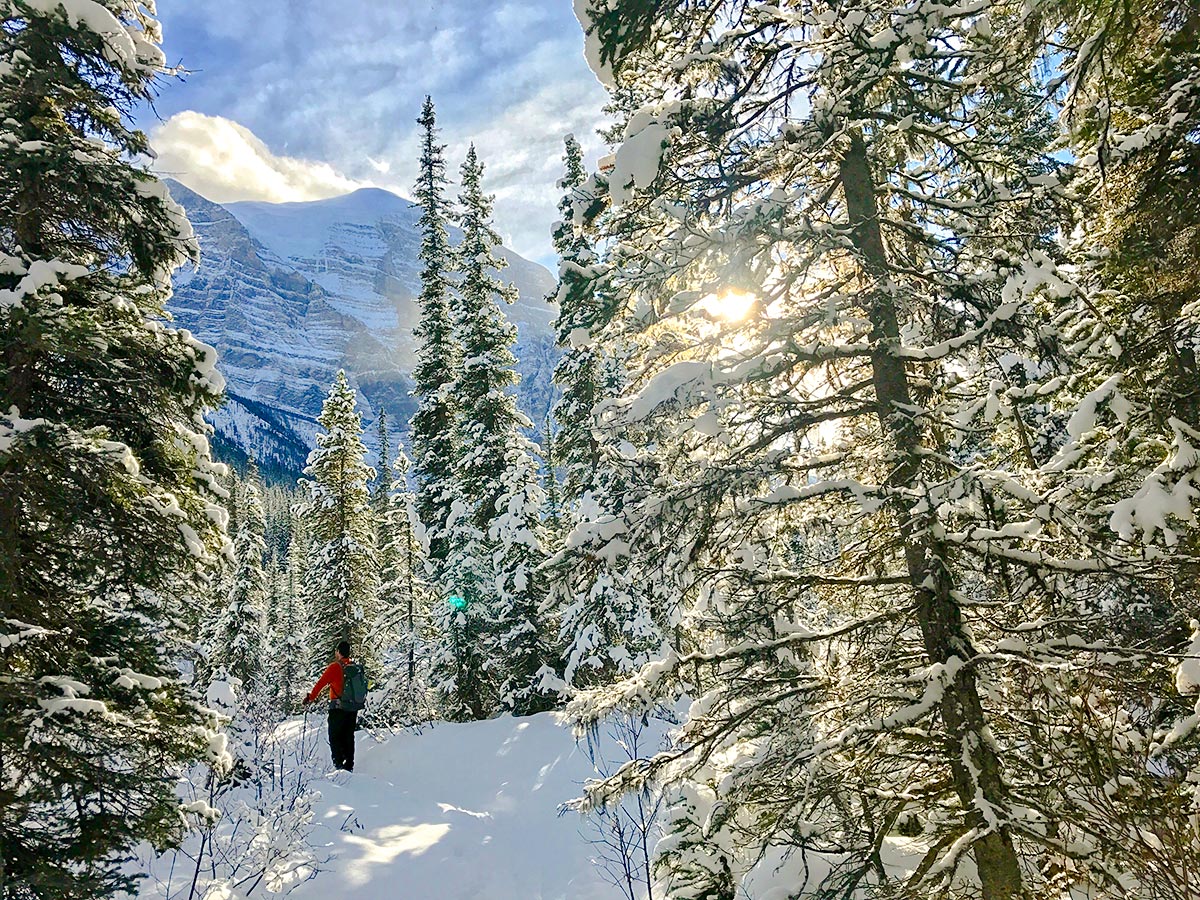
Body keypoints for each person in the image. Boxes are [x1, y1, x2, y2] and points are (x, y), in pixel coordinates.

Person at [304, 640, 358, 772]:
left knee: (335, 736)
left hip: (337, 708)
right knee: (349, 736)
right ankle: (349, 765)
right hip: (352, 708)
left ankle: (339, 766)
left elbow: (321, 683)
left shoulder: (335, 667)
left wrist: (310, 697)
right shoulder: (354, 667)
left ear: (339, 652)